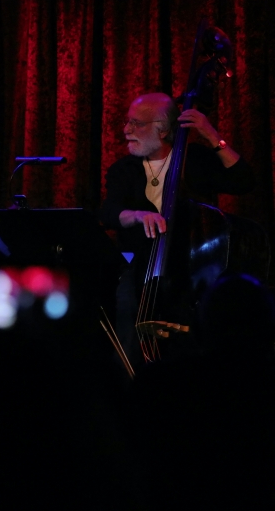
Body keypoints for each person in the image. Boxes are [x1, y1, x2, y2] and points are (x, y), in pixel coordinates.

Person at [100, 93, 255, 370]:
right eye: (127, 122)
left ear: (162, 128)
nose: (126, 130)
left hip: (190, 269)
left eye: (136, 123)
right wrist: (137, 214)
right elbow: (110, 213)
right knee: (125, 307)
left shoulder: (193, 160)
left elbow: (243, 180)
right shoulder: (123, 169)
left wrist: (212, 137)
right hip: (140, 270)